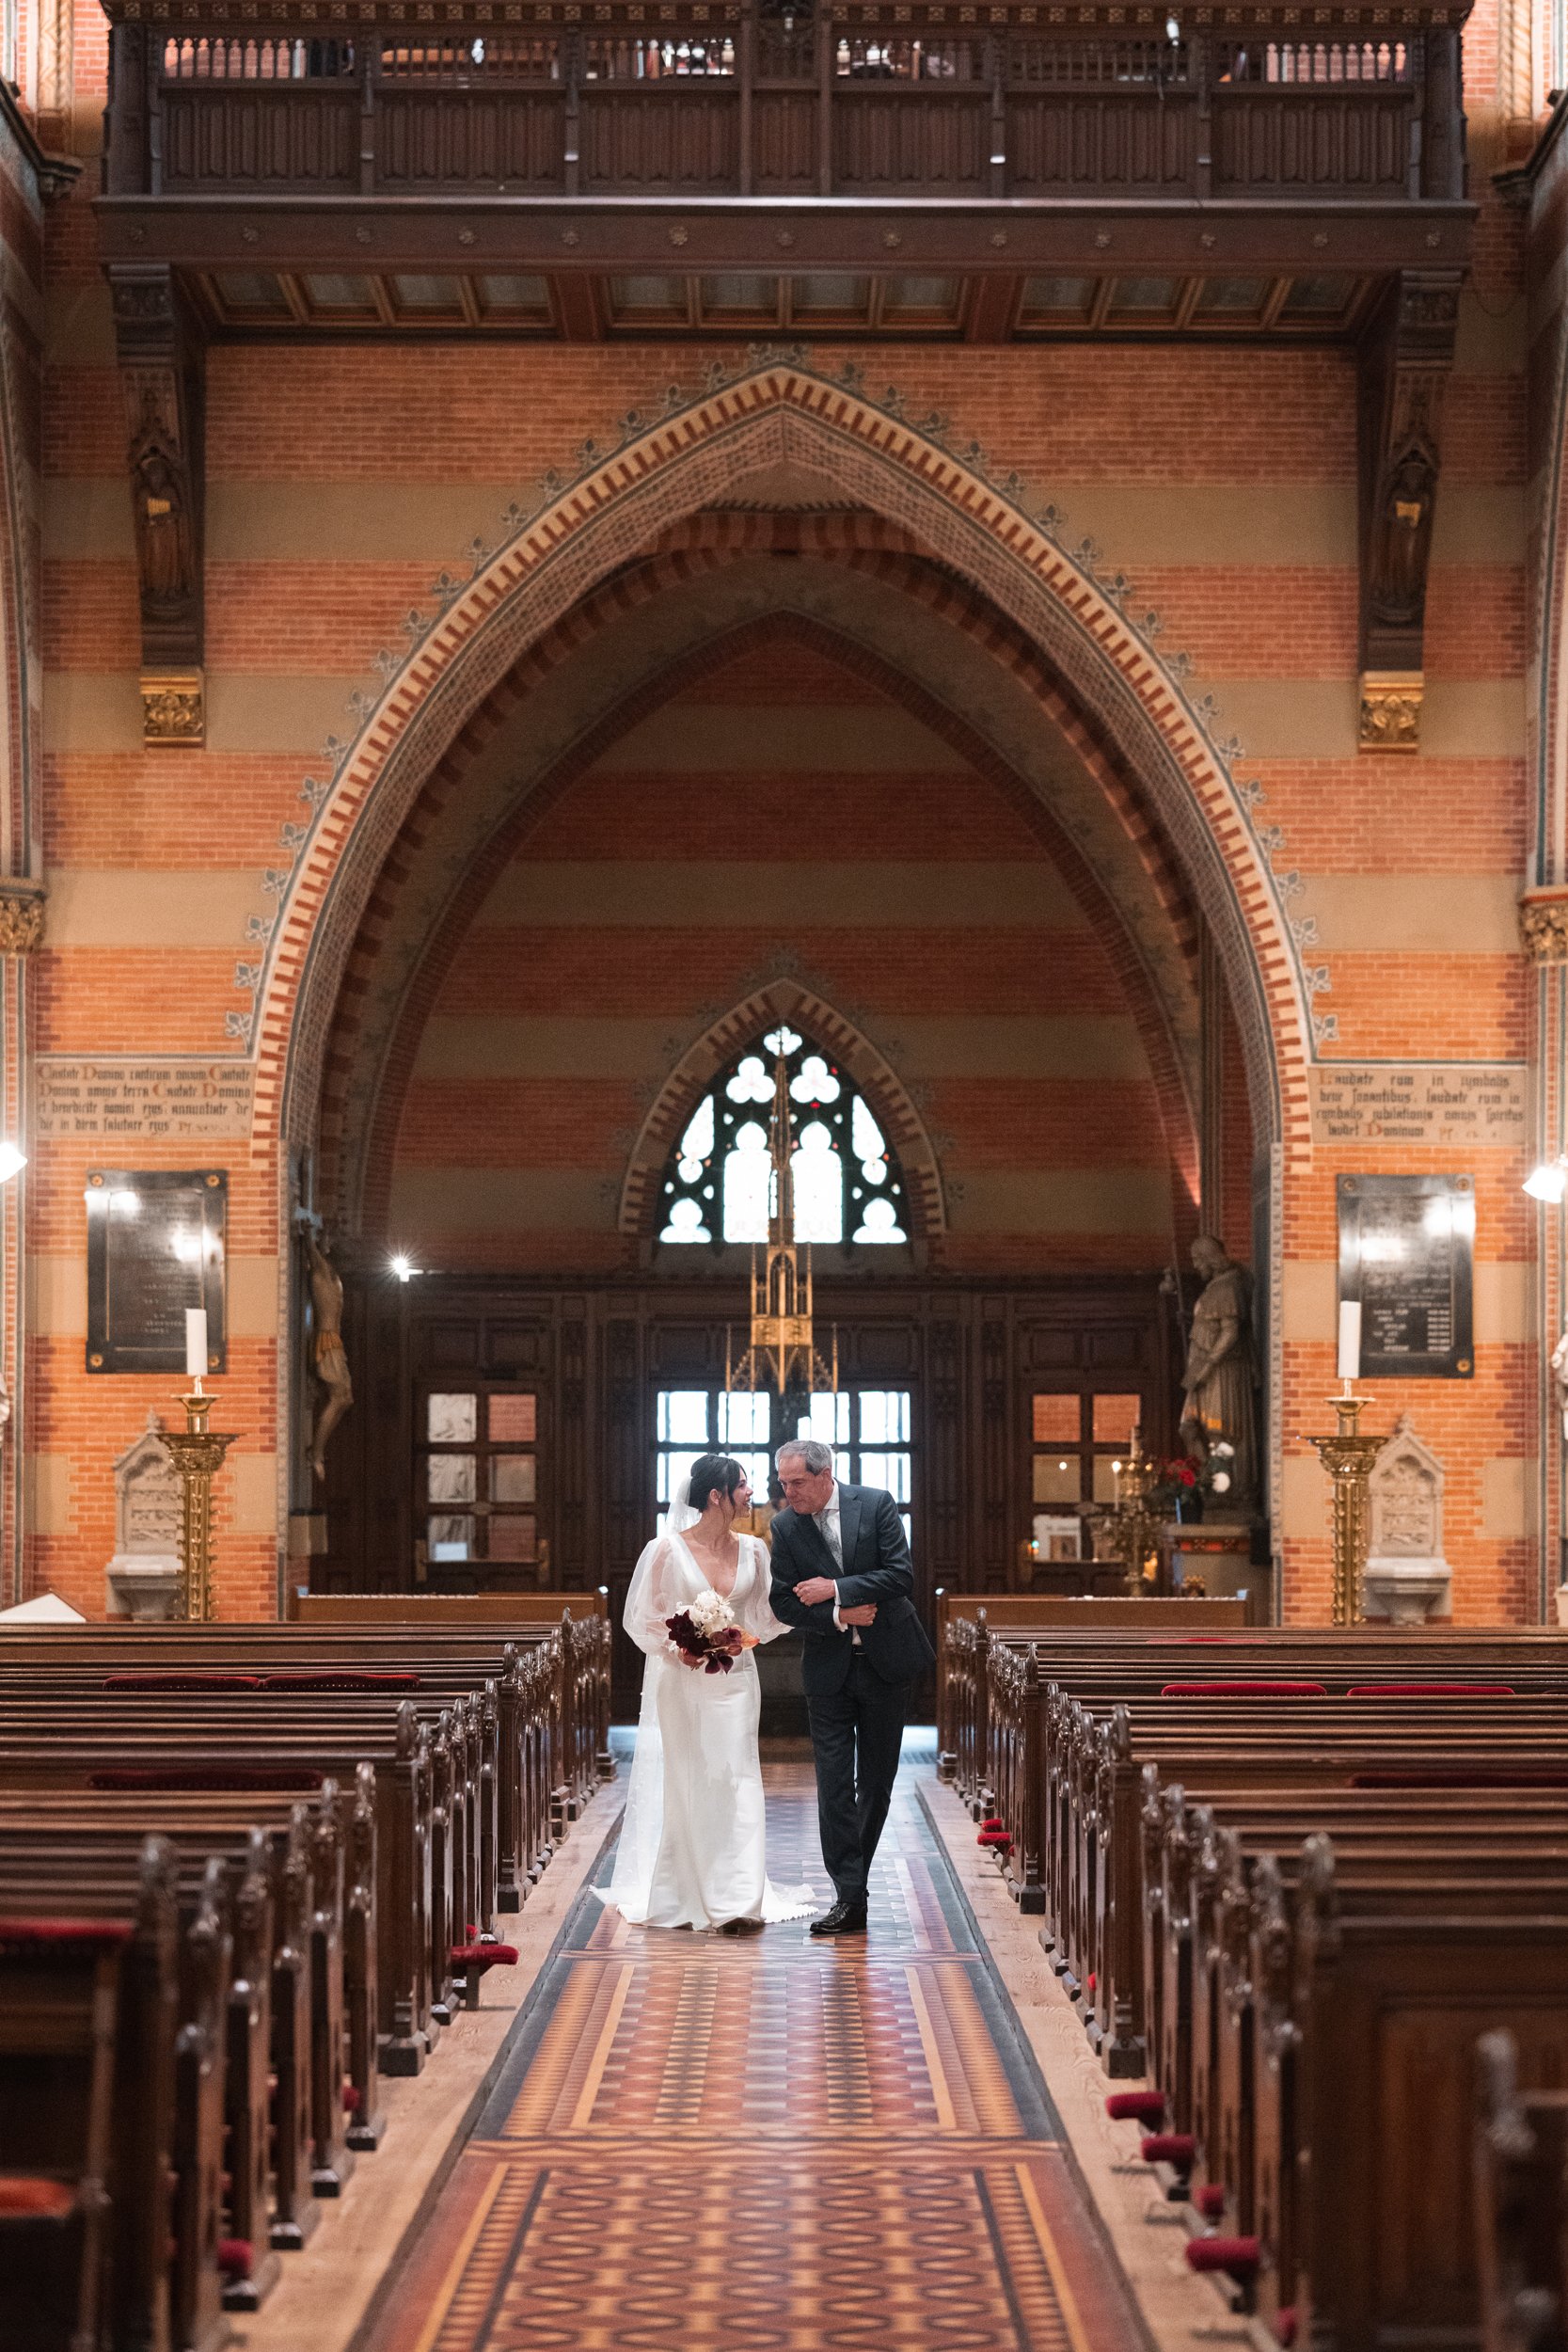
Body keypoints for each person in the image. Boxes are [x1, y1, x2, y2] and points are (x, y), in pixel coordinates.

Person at [600, 1453, 816, 1933]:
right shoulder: (665, 1550)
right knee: (690, 1779)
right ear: (716, 1495)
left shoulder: (756, 1551)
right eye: (743, 1485)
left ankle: (739, 1898)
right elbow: (641, 1620)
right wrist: (684, 1647)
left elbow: (763, 1615)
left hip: (737, 1681)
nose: (751, 1493)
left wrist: (752, 1632)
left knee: (738, 1777)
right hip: (683, 1683)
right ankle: (685, 1889)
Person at [768, 1438, 935, 1938]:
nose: (788, 1493)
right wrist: (840, 1614)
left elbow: (900, 1575)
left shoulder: (877, 1503)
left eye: (797, 1483)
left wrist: (835, 1588)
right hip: (829, 1670)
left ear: (825, 1475)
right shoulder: (785, 1527)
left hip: (886, 1664)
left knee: (877, 1782)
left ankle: (852, 1886)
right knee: (834, 1784)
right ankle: (849, 1895)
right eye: (783, 1483)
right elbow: (784, 1603)